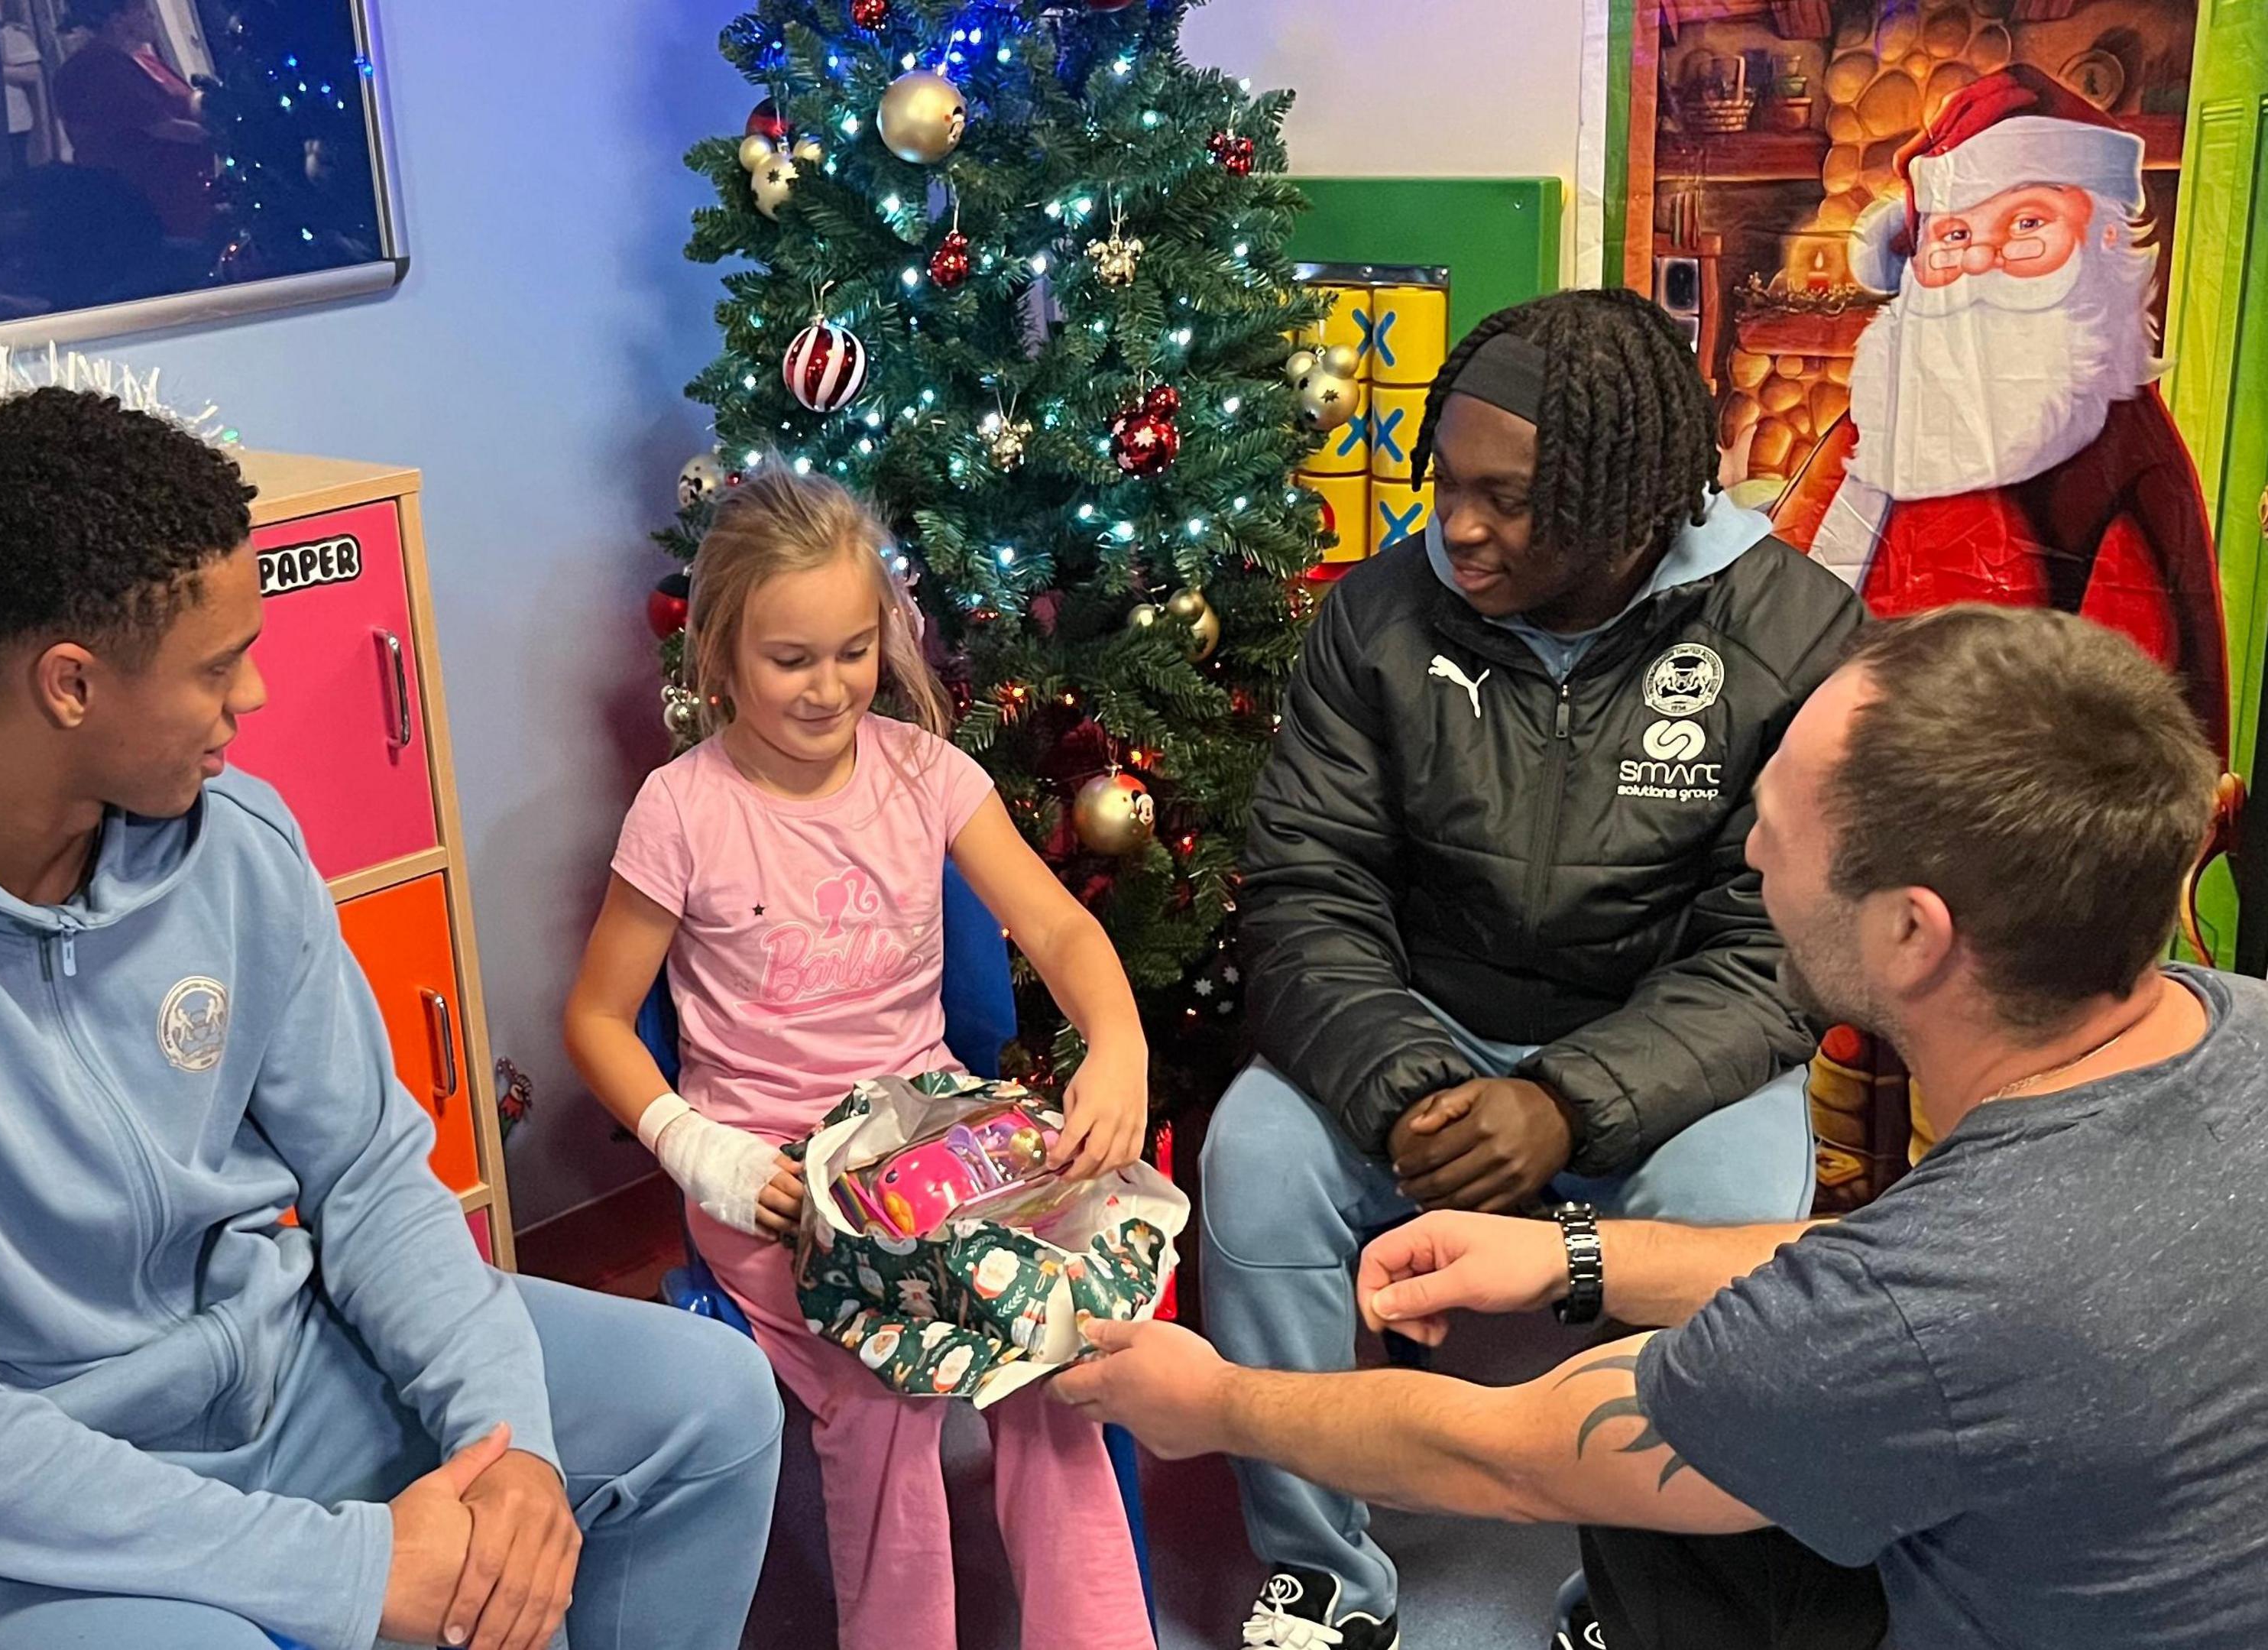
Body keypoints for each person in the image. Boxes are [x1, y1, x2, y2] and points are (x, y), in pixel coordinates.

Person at [0, 388, 781, 1650]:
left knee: (711, 1403)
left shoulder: (237, 840)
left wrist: (503, 1438)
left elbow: (368, 1175)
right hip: (22, 1500)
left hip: (282, 1367)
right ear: (71, 683)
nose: (251, 695)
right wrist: (355, 1564)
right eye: (214, 664)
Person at [1061, 605, 2268, 1650]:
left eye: (1779, 830)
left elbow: (1513, 1452)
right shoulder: (2231, 1024)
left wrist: (1216, 1400)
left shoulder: (1918, 1311)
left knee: (1661, 1499)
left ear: (1914, 932)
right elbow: (1894, 1279)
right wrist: (1580, 1254)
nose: (1746, 845)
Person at [1201, 287, 1868, 1647]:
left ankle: (1631, 1591)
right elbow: (1306, 888)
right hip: (1419, 1027)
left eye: (1507, 498)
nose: (1458, 525)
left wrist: (1567, 1105)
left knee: (1728, 1217)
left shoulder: (1793, 633)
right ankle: (1321, 1569)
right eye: (1446, 481)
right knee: (1255, 1162)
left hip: (1665, 1046)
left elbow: (1780, 951)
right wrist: (1405, 1084)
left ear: (1631, 504)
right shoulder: (1376, 617)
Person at [563, 468, 1155, 1650]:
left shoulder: (925, 773)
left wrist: (1122, 1045)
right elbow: (594, 1017)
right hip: (777, 1182)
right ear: (720, 657)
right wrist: (698, 1149)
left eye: (852, 650)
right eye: (792, 659)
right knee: (889, 1379)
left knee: (1054, 1343)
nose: (830, 686)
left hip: (938, 1146)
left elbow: (1061, 930)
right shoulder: (681, 810)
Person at [1772, 65, 2230, 761]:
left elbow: (2139, 710)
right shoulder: (1882, 414)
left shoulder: (2121, 448)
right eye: (1952, 235)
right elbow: (1784, 579)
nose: (1980, 259)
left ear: (2104, 241)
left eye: (2026, 223)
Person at [53, 0, 215, 241]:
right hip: (149, 203)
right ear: (116, 18)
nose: (151, 16)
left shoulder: (140, 60)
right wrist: (224, 138)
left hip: (186, 194)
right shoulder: (97, 67)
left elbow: (184, 103)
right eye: (143, 9)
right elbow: (163, 127)